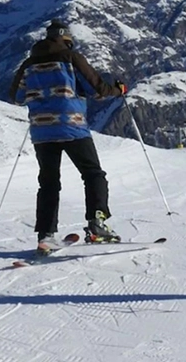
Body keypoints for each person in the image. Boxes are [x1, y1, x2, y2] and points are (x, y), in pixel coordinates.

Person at [8, 20, 126, 252]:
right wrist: (118, 90)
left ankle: (46, 234)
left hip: (42, 132)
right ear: (67, 40)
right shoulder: (72, 58)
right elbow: (97, 89)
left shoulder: (28, 64)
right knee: (93, 174)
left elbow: (17, 97)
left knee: (49, 183)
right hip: (73, 128)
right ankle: (97, 225)